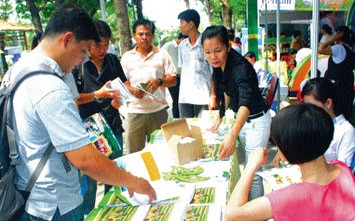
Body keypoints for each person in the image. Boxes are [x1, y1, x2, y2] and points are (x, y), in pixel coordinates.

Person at [0, 4, 156, 220]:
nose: (82, 60)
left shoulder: (18, 70)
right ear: (67, 39)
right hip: (54, 204)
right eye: (83, 50)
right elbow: (85, 160)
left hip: (27, 192)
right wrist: (134, 181)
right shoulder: (49, 86)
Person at [225, 103, 355, 221]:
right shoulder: (342, 168)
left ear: (287, 153)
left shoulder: (291, 197)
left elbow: (231, 214)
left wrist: (251, 165)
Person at [201, 25, 271, 200]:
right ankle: (246, 209)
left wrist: (232, 134)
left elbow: (245, 103)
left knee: (252, 173)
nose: (212, 57)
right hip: (243, 121)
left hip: (257, 121)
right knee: (245, 171)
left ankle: (255, 216)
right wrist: (221, 116)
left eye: (217, 50)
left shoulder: (241, 67)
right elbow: (225, 91)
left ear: (228, 46)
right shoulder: (218, 66)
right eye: (207, 52)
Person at [75, 19, 127, 215]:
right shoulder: (78, 65)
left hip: (113, 124)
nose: (102, 49)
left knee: (114, 171)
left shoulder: (113, 60)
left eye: (106, 45)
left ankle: (114, 211)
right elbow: (75, 98)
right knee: (89, 180)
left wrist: (118, 102)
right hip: (90, 131)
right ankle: (88, 215)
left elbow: (123, 89)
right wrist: (99, 94)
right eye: (98, 45)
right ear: (89, 43)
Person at [121, 18, 176, 154]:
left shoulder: (162, 54)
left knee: (160, 153)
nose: (144, 37)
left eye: (148, 34)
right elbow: (123, 82)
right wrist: (133, 90)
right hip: (135, 112)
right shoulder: (127, 57)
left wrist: (159, 82)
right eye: (140, 34)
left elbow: (173, 79)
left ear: (152, 35)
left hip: (158, 112)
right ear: (134, 36)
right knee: (134, 154)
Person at [274, 78, 355, 168]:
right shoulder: (310, 122)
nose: (309, 111)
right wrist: (283, 150)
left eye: (312, 106)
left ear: (328, 103)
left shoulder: (346, 130)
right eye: (306, 106)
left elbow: (343, 169)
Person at [177, 9, 212, 118]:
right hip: (185, 96)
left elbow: (213, 71)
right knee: (186, 129)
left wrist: (214, 95)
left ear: (190, 24)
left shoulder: (206, 43)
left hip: (203, 96)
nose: (180, 26)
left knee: (204, 129)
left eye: (181, 22)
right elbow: (182, 69)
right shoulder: (182, 46)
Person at [318, 25, 355, 121]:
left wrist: (331, 40)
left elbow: (320, 49)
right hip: (346, 87)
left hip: (337, 88)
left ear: (338, 36)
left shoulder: (339, 48)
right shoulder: (349, 49)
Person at [162, 32, 187, 118]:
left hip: (182, 76)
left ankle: (182, 117)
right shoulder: (168, 46)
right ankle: (176, 118)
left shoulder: (183, 47)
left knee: (182, 99)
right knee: (176, 99)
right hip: (172, 76)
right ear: (182, 38)